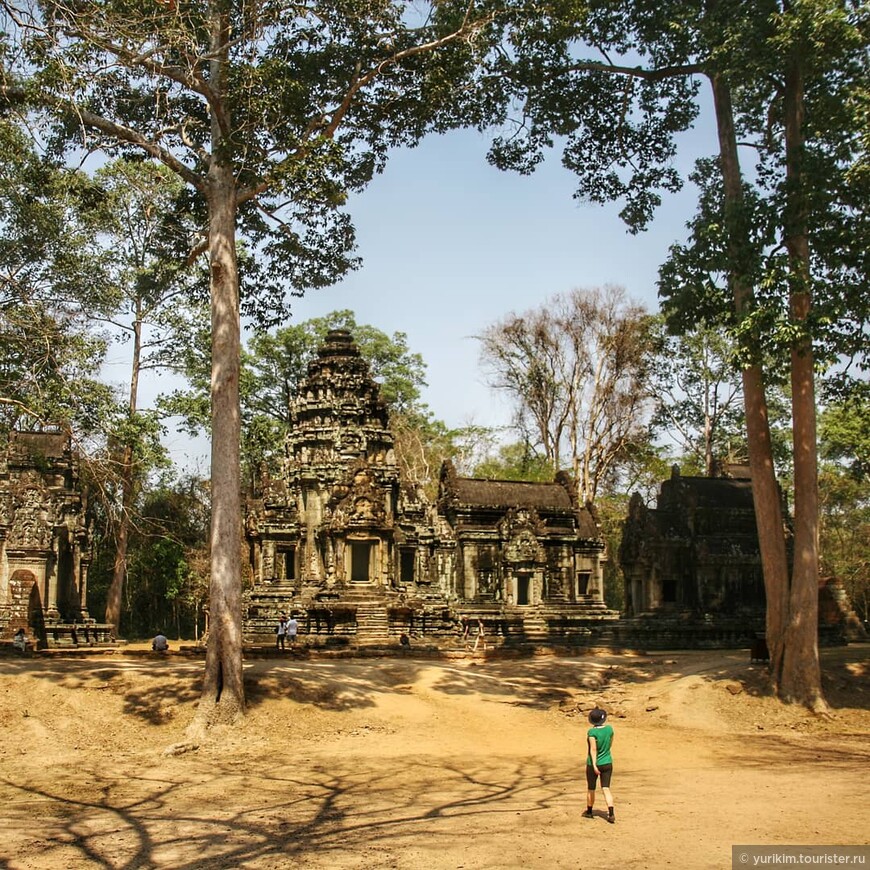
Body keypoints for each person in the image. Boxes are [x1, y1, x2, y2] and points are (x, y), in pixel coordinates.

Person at [583, 707, 615, 824]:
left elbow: (593, 749)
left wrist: (595, 765)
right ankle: (611, 813)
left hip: (593, 764)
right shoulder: (610, 730)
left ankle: (589, 811)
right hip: (607, 762)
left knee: (591, 788)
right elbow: (610, 743)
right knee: (606, 788)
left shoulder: (592, 732)